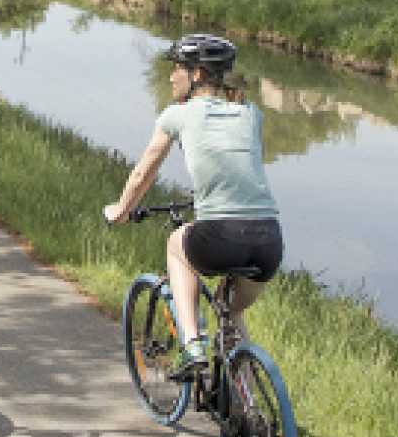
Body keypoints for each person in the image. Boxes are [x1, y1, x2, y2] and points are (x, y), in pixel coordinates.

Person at [103, 33, 283, 379]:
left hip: (220, 234)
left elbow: (143, 173)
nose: (171, 76)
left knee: (176, 247)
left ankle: (192, 345)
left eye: (177, 69)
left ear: (197, 74)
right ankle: (245, 407)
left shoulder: (177, 115)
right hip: (268, 240)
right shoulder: (251, 112)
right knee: (230, 314)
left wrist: (121, 210)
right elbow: (247, 162)